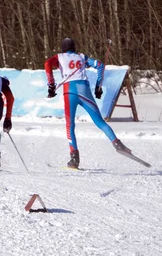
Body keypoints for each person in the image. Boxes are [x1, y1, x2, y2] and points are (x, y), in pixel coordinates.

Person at [44, 37, 130, 169]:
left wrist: (51, 85)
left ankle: (74, 159)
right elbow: (100, 65)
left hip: (70, 91)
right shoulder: (82, 57)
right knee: (99, 121)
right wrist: (98, 86)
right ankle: (118, 144)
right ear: (74, 48)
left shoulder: (59, 57)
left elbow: (47, 63)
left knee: (70, 125)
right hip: (84, 90)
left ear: (63, 48)